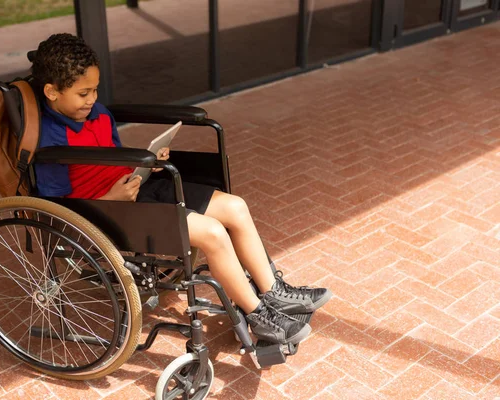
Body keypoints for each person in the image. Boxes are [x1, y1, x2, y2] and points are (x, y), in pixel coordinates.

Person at [32, 33, 331, 345]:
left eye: (95, 89)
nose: (92, 99)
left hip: (137, 187)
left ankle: (274, 292)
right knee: (213, 233)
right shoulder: (49, 142)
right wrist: (111, 199)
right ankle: (259, 315)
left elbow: (114, 158)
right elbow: (57, 207)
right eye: (83, 93)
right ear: (52, 92)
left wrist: (147, 163)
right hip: (110, 210)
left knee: (236, 207)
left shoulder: (99, 115)